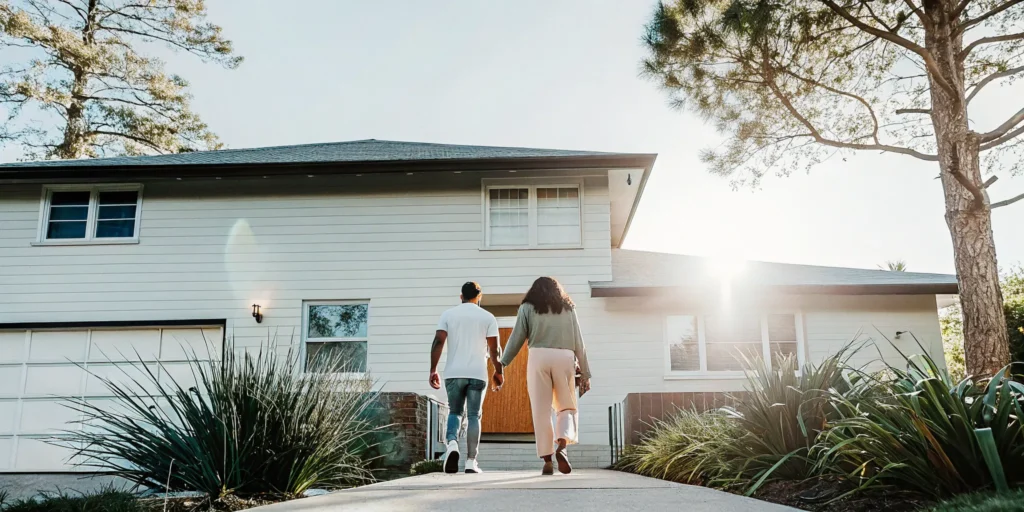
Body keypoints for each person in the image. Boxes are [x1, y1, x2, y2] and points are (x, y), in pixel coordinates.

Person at [495, 276, 591, 475]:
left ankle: (547, 461)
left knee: (541, 410)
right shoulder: (569, 308)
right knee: (566, 406)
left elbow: (517, 337)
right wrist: (586, 373)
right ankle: (562, 447)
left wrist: (501, 364)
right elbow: (579, 343)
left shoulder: (527, 307)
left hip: (538, 356)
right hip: (565, 357)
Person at [429, 281, 501, 474]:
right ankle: (471, 461)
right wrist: (498, 371)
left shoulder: (448, 315)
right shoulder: (488, 317)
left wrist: (433, 369)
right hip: (478, 374)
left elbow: (438, 342)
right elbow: (494, 350)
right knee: (474, 416)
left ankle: (452, 444)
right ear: (479, 297)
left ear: (461, 296)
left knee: (455, 412)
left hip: (453, 373)